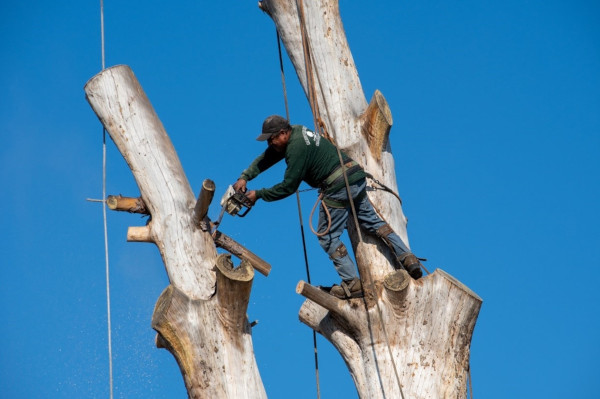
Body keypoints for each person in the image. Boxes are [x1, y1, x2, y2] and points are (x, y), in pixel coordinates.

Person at [233, 115, 422, 299]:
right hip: (354, 176)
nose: (270, 144)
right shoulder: (298, 131)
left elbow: (288, 187)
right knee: (372, 222)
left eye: (272, 139)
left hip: (337, 185)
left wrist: (258, 195)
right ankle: (408, 257)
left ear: (283, 133)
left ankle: (352, 284)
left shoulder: (296, 148)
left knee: (327, 236)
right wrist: (246, 176)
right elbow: (268, 157)